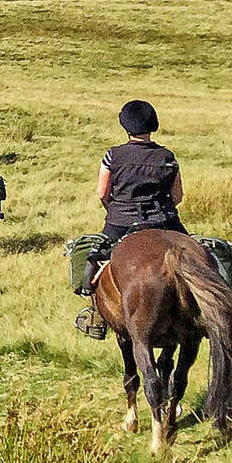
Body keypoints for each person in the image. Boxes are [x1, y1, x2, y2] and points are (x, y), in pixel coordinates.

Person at [75, 99, 188, 336]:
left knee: (93, 264)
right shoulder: (167, 157)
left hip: (121, 221)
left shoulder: (112, 156)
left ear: (126, 126)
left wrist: (114, 208)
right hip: (165, 221)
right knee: (199, 256)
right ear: (153, 125)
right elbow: (177, 197)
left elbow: (102, 193)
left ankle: (96, 315)